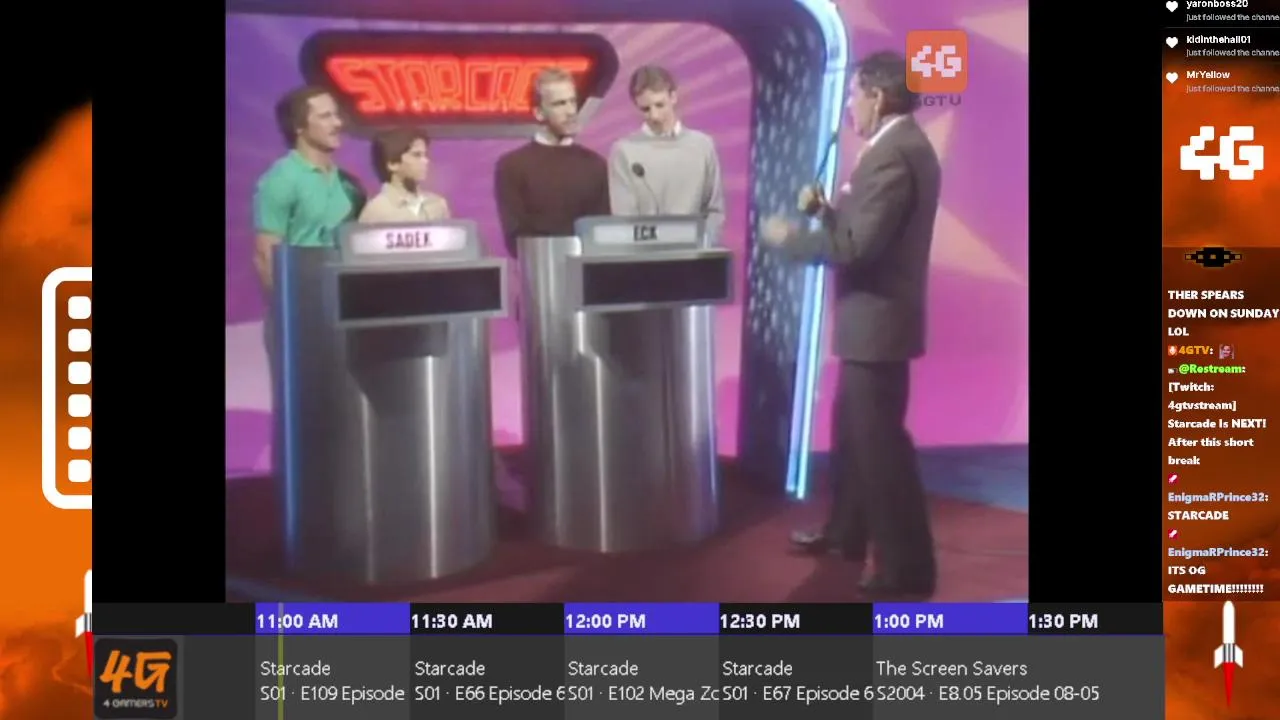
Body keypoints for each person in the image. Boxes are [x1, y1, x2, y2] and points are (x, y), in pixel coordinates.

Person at [759, 50, 941, 599]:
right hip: (872, 325)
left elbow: (857, 248)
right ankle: (846, 533)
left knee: (881, 450)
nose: (848, 107)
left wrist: (791, 239)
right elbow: (863, 231)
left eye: (853, 95)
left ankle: (907, 571)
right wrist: (825, 213)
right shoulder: (897, 147)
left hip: (878, 326)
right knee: (855, 439)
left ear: (877, 97)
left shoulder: (893, 155)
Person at [253, 85, 364, 291]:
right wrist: (286, 305)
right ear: (299, 126)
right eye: (325, 116)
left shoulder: (349, 184)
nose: (337, 123)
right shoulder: (280, 179)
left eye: (336, 115)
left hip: (347, 297)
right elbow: (266, 256)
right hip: (302, 296)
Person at [493, 67, 610, 257]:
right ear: (539, 113)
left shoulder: (596, 165)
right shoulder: (512, 167)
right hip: (541, 269)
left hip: (589, 270)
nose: (570, 111)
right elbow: (517, 239)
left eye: (573, 101)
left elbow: (602, 233)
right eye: (559, 104)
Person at [607, 65, 724, 239]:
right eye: (645, 109)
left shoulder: (702, 146)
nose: (654, 116)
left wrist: (703, 246)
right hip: (645, 252)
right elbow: (624, 219)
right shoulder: (624, 151)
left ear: (673, 97)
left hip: (694, 252)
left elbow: (714, 211)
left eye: (660, 105)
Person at [359, 127, 451, 223]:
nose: (426, 161)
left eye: (425, 155)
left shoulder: (437, 205)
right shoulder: (376, 211)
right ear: (392, 164)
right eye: (416, 155)